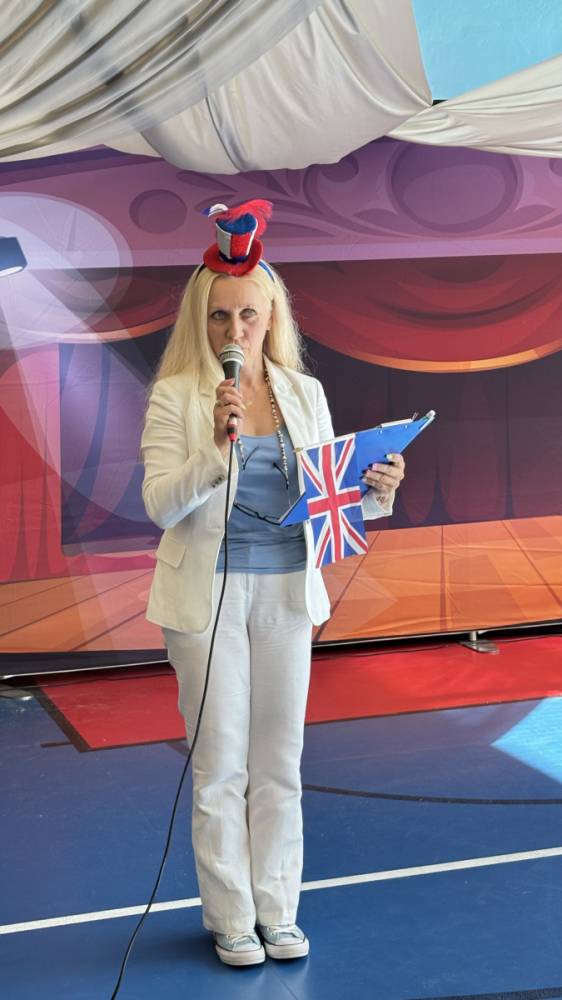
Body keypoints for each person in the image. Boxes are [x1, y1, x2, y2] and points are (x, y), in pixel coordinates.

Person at [140, 200, 405, 967]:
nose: (235, 330)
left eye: (248, 314)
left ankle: (278, 911)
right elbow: (160, 504)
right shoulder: (177, 396)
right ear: (201, 320)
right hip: (208, 601)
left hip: (288, 592)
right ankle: (231, 917)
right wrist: (214, 450)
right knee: (220, 765)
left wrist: (376, 490)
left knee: (278, 762)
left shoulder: (303, 393)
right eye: (220, 316)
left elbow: (329, 497)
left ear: (271, 317)